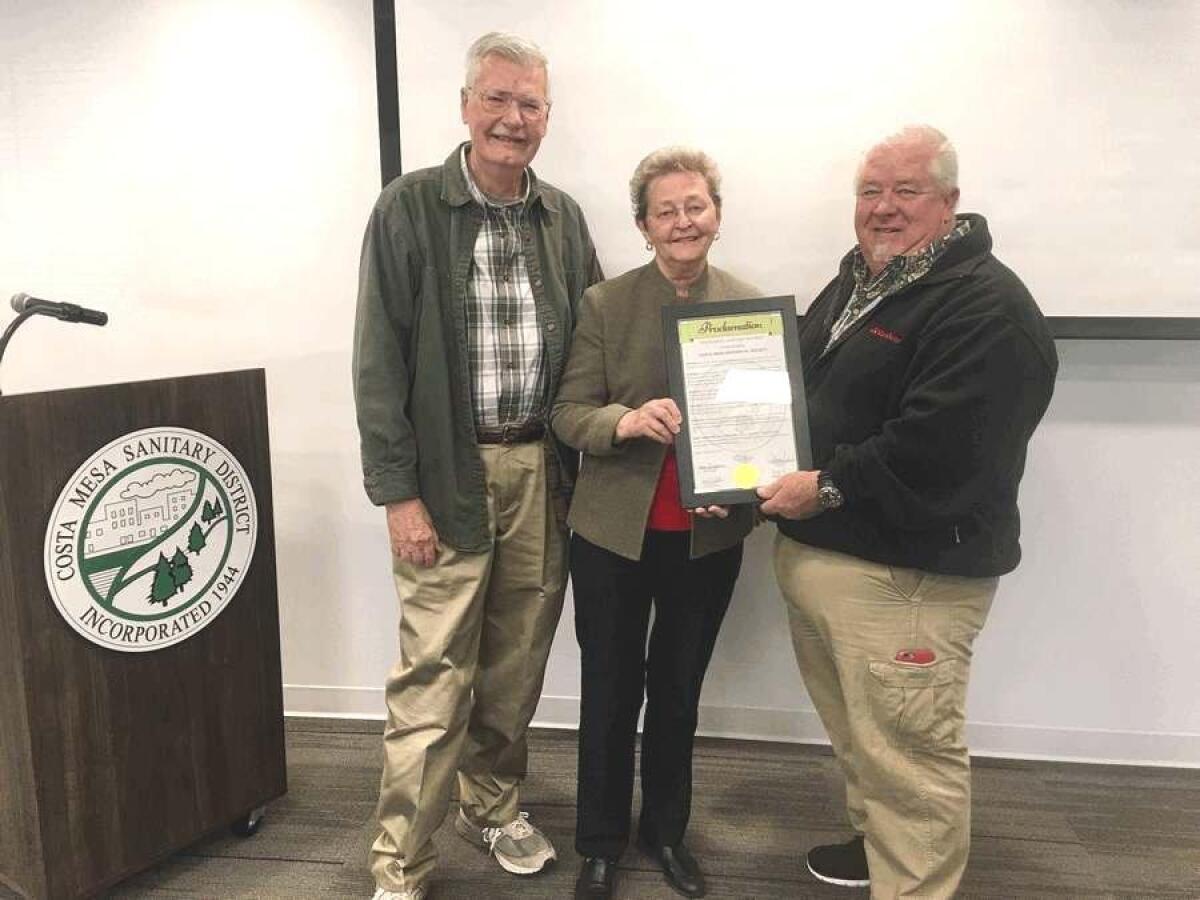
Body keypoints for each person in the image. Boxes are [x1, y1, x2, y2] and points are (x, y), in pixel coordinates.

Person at [758, 125, 1057, 898]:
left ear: (950, 203)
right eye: (870, 191)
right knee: (865, 738)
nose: (883, 207)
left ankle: (911, 877)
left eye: (906, 190)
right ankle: (876, 843)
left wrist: (820, 486)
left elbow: (937, 449)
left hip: (908, 581)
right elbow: (804, 381)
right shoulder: (863, 279)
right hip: (830, 558)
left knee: (911, 760)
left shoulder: (987, 308)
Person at [352, 31, 602, 900]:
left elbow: (593, 353)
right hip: (446, 480)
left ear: (546, 117)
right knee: (432, 678)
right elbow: (378, 360)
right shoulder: (409, 208)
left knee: (515, 664)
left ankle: (490, 804)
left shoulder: (563, 218)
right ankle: (400, 865)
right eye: (496, 98)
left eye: (529, 103)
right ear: (464, 106)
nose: (512, 118)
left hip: (542, 474)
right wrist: (398, 496)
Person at [551, 147, 758, 900]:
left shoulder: (748, 307)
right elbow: (568, 414)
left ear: (717, 215)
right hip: (612, 536)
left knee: (678, 691)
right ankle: (600, 842)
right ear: (643, 225)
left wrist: (739, 495)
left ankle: (665, 834)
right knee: (609, 690)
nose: (682, 222)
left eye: (695, 206)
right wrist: (627, 419)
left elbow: (763, 442)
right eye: (665, 211)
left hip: (707, 540)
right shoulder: (606, 305)